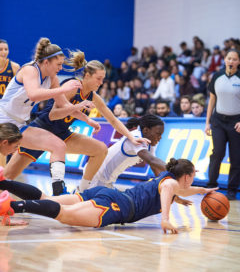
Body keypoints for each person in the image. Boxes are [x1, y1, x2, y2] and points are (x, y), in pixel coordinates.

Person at [3, 57, 149, 194]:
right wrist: (79, 108)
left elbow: (113, 120)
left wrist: (131, 136)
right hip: (41, 131)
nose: (101, 83)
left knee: (100, 149)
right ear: (87, 76)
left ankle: (81, 191)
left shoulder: (93, 96)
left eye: (103, 79)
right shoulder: (72, 86)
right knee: (7, 176)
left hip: (62, 134)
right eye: (98, 78)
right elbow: (53, 115)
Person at [0, 158, 217, 233]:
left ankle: (4, 183)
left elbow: (180, 189)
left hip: (105, 193)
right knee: (64, 214)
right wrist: (166, 220)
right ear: (187, 176)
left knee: (48, 199)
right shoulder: (169, 184)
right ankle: (10, 206)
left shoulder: (166, 178)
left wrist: (202, 191)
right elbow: (170, 190)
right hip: (117, 207)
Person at [0, 37, 90, 194]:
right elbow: (34, 94)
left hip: (19, 125)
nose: (61, 68)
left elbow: (64, 106)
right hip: (3, 120)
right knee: (3, 171)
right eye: (58, 64)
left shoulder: (52, 79)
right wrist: (63, 89)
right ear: (46, 62)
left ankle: (59, 191)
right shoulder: (29, 69)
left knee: (58, 146)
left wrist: (87, 118)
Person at [89, 115, 166, 189]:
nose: (160, 137)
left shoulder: (150, 140)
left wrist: (163, 183)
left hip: (106, 181)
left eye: (161, 134)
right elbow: (152, 160)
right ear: (146, 130)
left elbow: (154, 165)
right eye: (158, 134)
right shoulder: (136, 137)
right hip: (95, 176)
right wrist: (175, 171)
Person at [205, 49, 240, 200]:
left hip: (236, 122)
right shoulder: (217, 76)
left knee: (236, 157)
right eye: (229, 58)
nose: (231, 61)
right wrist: (207, 122)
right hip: (218, 121)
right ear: (224, 60)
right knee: (217, 153)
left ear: (238, 62)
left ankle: (232, 189)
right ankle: (211, 184)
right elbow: (212, 100)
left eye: (234, 59)